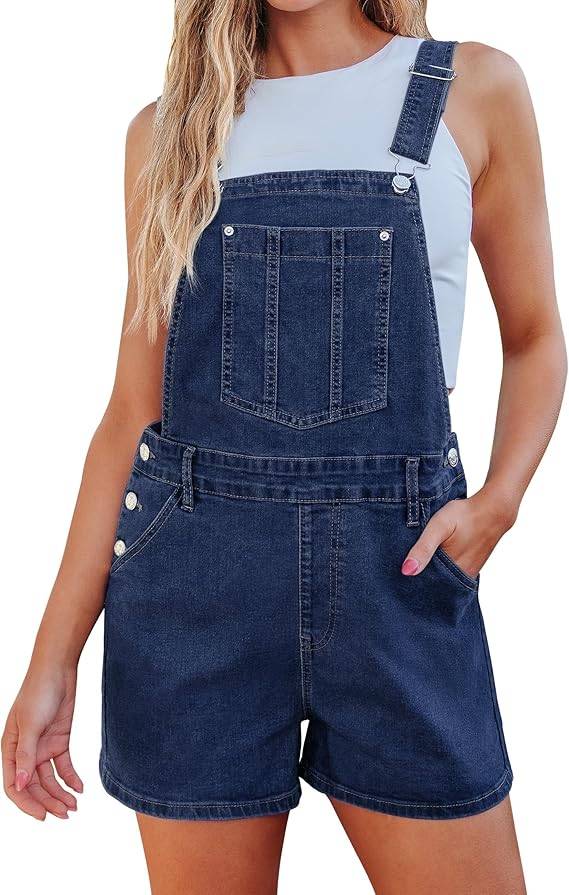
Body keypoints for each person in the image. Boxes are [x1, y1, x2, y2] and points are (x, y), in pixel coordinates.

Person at [3, 2, 565, 892]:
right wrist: (52, 659)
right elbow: (131, 415)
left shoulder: (471, 89)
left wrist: (499, 502)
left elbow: (534, 336)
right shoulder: (167, 135)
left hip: (399, 585)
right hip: (195, 594)